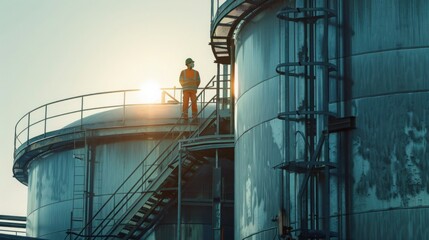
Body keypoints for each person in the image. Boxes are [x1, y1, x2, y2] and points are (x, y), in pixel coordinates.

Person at [179, 57, 201, 122]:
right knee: (185, 103)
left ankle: (194, 116)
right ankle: (185, 116)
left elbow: (198, 81)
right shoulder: (183, 72)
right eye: (192, 63)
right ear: (188, 64)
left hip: (192, 91)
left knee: (194, 103)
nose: (193, 64)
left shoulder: (196, 72)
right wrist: (187, 86)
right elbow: (180, 80)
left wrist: (193, 87)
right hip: (186, 90)